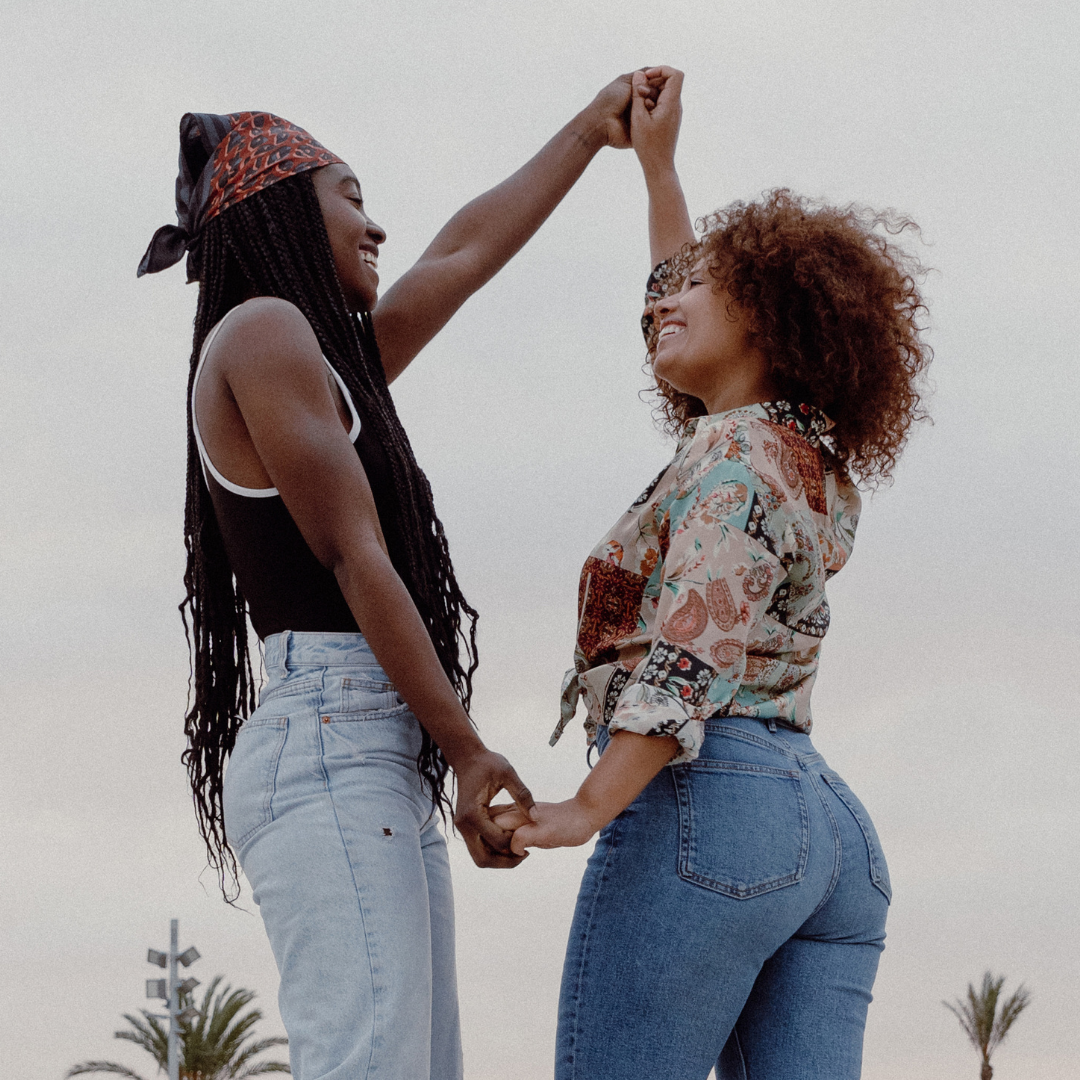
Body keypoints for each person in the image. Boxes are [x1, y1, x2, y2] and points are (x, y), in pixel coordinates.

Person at [137, 77, 649, 1080]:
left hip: (367, 740)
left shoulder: (333, 359)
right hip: (333, 733)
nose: (376, 227)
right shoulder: (265, 330)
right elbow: (351, 554)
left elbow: (462, 253)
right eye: (351, 197)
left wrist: (591, 130)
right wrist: (463, 748)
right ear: (285, 210)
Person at [503, 68, 932, 1079]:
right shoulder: (794, 452)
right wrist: (659, 169)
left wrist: (588, 805)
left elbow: (690, 651)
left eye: (701, 286)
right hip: (823, 834)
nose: (666, 302)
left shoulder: (733, 465)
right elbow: (675, 296)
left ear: (768, 321)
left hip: (713, 804)